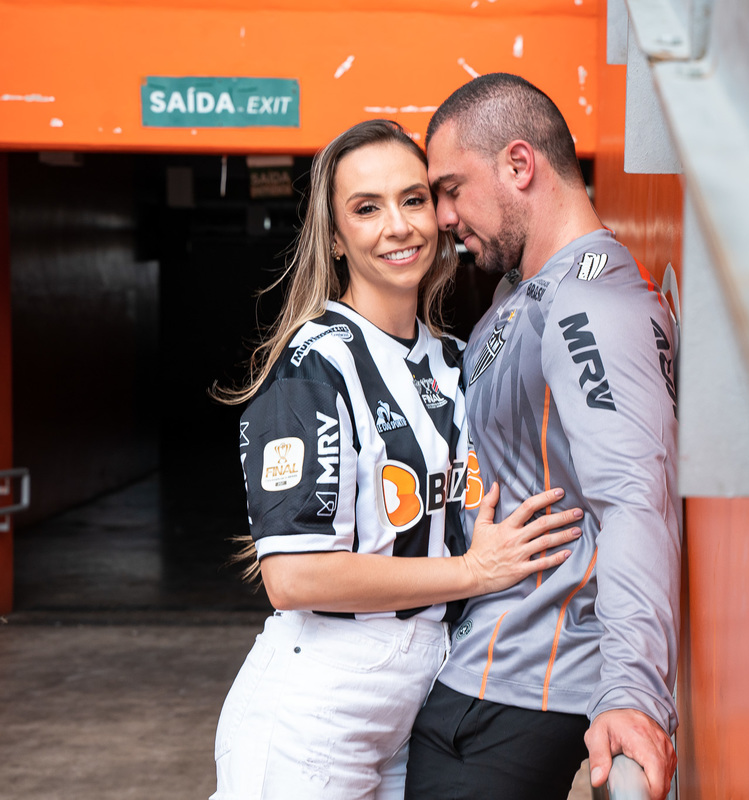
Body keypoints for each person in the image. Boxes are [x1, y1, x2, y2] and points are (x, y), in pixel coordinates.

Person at [209, 119, 584, 800]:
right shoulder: (312, 363)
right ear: (334, 237)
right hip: (315, 707)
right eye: (366, 207)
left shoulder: (453, 359)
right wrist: (471, 570)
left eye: (413, 200)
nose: (398, 226)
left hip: (422, 696)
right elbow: (293, 577)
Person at [406, 74, 681, 800]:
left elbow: (634, 501)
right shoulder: (516, 295)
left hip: (526, 690)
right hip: (473, 669)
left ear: (520, 165)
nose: (441, 217)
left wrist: (632, 693)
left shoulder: (589, 303)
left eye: (451, 188)